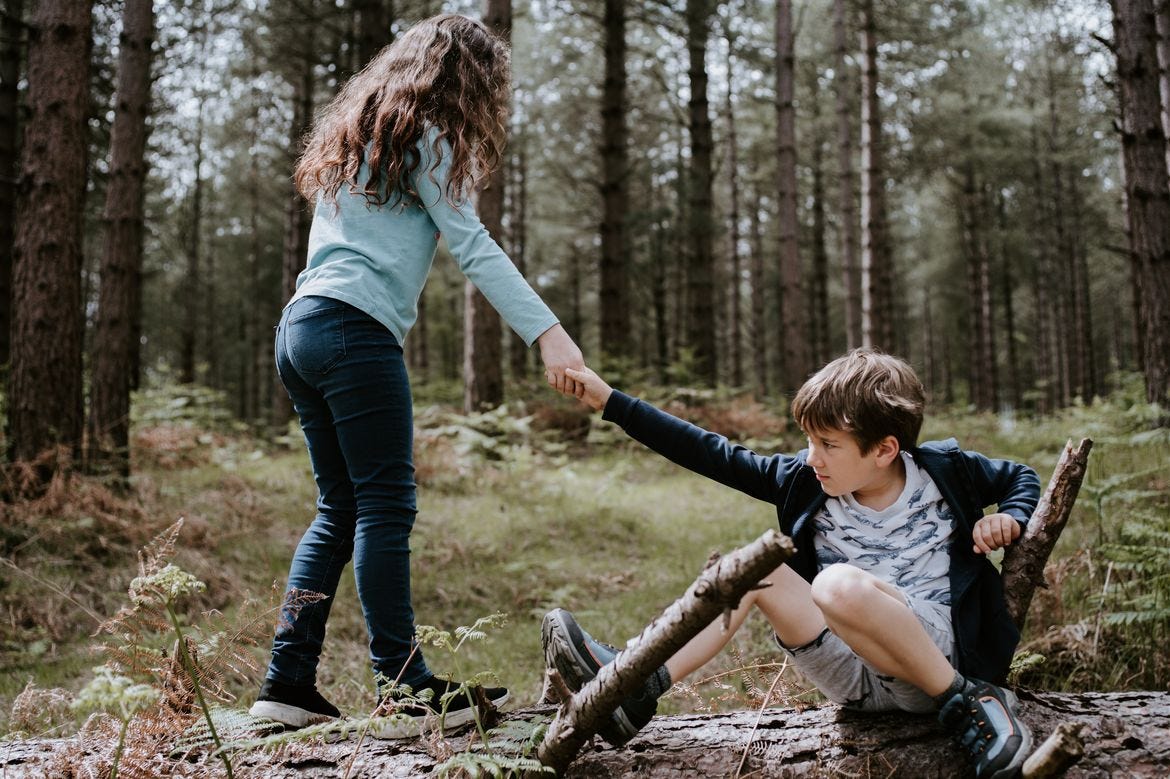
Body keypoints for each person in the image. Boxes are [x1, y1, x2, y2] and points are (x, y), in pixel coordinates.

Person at [249, 14, 584, 738]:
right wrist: (550, 336)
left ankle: (286, 681)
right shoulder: (429, 137)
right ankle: (404, 689)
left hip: (300, 329)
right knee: (384, 507)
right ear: (464, 81)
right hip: (351, 331)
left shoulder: (357, 138)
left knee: (339, 507)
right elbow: (474, 245)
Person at [544, 349, 1038, 779]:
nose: (812, 458)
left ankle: (970, 702)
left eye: (828, 445)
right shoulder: (804, 481)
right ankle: (636, 684)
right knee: (754, 567)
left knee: (836, 585)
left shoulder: (946, 472)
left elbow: (1021, 477)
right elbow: (707, 452)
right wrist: (609, 400)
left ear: (886, 449)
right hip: (855, 678)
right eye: (808, 441)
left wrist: (1008, 519)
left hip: (934, 658)